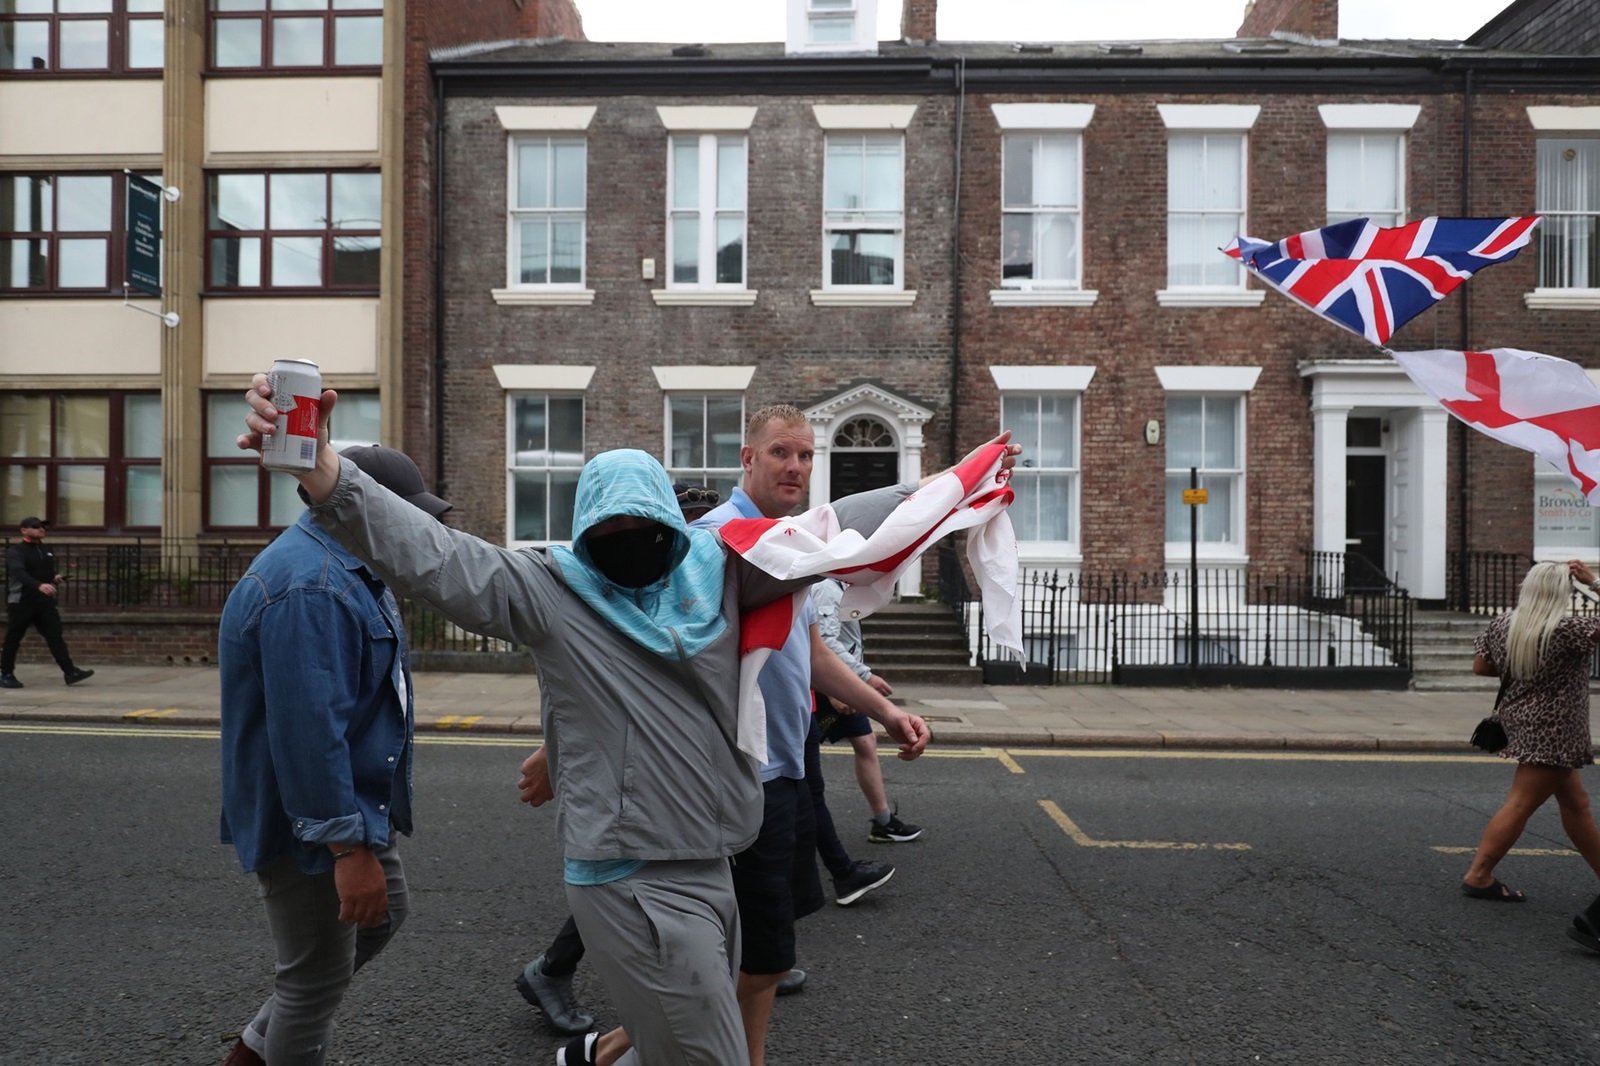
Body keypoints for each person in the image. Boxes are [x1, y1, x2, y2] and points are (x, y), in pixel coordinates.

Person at [242, 377, 1010, 1066]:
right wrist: (316, 465)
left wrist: (965, 485)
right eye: (609, 531)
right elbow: (428, 552)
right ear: (583, 532)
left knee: (683, 1040)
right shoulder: (548, 588)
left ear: (673, 524)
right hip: (628, 878)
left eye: (643, 526)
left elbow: (845, 530)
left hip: (715, 864)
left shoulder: (724, 569)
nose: (628, 543)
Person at [217, 445, 453, 1066]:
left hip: (351, 802)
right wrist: (346, 849)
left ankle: (253, 1050)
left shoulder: (351, 566)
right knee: (314, 980)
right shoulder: (312, 587)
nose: (414, 529)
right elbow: (307, 735)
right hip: (313, 821)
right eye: (404, 514)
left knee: (384, 913)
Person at [1461, 559, 1600, 924]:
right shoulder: (1568, 629)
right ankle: (1479, 875)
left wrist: (1524, 666)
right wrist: (1595, 582)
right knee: (1520, 804)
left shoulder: (1504, 623)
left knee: (1577, 805)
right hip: (1557, 729)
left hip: (1521, 720)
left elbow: (1481, 667)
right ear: (1562, 592)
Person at [812, 576, 924, 844]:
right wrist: (862, 677)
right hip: (831, 686)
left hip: (846, 685)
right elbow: (825, 642)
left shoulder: (843, 588)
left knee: (866, 742)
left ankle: (883, 822)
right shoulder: (827, 588)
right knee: (803, 757)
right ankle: (793, 824)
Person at [2, 516, 93, 689]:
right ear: (24, 530)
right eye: (36, 527)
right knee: (13, 638)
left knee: (55, 636)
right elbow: (18, 573)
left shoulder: (46, 549)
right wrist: (39, 585)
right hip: (22, 601)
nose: (41, 529)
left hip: (44, 602)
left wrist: (54, 578)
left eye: (43, 526)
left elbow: (45, 572)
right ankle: (6, 674)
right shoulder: (16, 551)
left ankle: (70, 672)